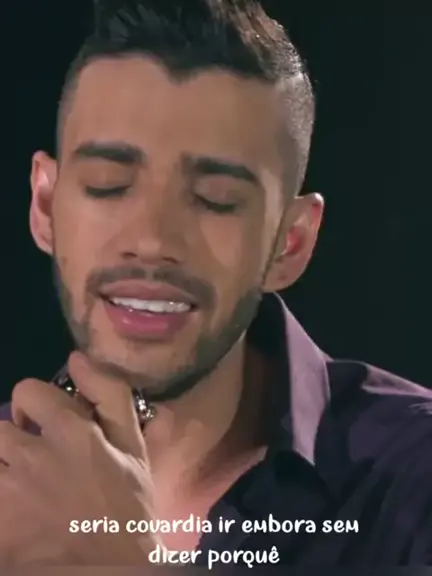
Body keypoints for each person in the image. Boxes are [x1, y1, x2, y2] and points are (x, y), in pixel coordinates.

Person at [3, 0, 431, 567]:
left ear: (289, 243)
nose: (152, 240)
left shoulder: (413, 474)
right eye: (108, 184)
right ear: (45, 206)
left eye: (216, 200)